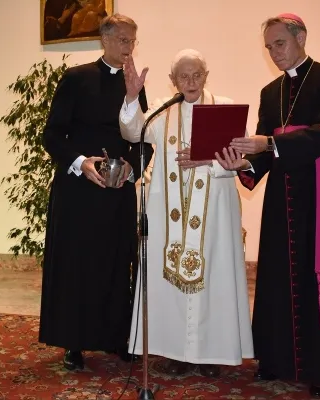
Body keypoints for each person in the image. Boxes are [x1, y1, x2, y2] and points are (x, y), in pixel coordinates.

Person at [216, 13, 320, 398]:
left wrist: (268, 144)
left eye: (280, 43)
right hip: (282, 201)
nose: (274, 53)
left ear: (300, 36)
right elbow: (262, 155)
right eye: (269, 47)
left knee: (319, 280)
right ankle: (277, 359)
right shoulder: (269, 92)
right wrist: (243, 163)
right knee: (279, 278)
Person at [119, 49, 254, 378]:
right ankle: (177, 352)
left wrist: (206, 160)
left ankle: (212, 353)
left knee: (215, 279)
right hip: (169, 216)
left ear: (206, 76)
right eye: (183, 76)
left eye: (196, 75)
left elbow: (237, 158)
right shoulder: (164, 112)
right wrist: (132, 97)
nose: (191, 82)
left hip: (214, 216)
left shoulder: (224, 107)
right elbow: (133, 132)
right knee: (172, 284)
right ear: (173, 81)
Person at [39, 13, 153, 370]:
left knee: (119, 262)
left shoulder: (135, 84)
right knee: (79, 265)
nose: (128, 48)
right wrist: (80, 162)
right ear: (104, 39)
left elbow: (145, 137)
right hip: (79, 191)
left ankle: (118, 337)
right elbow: (52, 135)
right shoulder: (76, 78)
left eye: (133, 41)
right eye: (122, 40)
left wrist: (134, 166)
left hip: (118, 190)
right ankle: (75, 342)